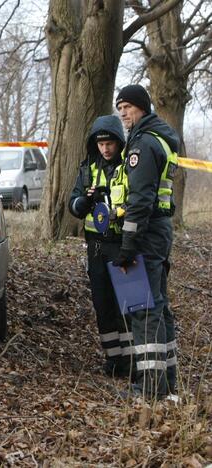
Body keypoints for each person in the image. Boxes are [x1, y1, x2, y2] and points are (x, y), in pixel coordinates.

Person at [112, 84, 179, 399]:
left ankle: (150, 389)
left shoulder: (143, 145)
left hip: (145, 234)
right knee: (159, 306)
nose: (123, 112)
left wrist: (128, 245)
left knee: (143, 309)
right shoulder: (158, 139)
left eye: (128, 106)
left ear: (143, 107)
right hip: (158, 231)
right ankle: (166, 383)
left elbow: (140, 200)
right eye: (120, 107)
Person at [69, 115, 133, 378]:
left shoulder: (129, 167)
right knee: (103, 305)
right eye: (101, 144)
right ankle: (113, 361)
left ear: (118, 143)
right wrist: (83, 203)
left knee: (128, 306)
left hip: (122, 245)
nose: (105, 149)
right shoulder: (87, 169)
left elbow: (138, 204)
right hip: (95, 248)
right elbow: (72, 205)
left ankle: (131, 363)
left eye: (110, 144)